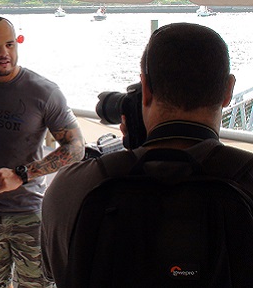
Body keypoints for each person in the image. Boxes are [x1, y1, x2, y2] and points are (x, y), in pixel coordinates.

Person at [41, 22, 249, 286]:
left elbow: (59, 273)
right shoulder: (246, 179)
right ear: (228, 91)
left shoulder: (73, 187)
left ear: (146, 89)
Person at [0, 16, 85, 287]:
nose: (4, 53)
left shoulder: (44, 91)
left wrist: (23, 173)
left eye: (9, 44)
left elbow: (76, 148)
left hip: (31, 213)